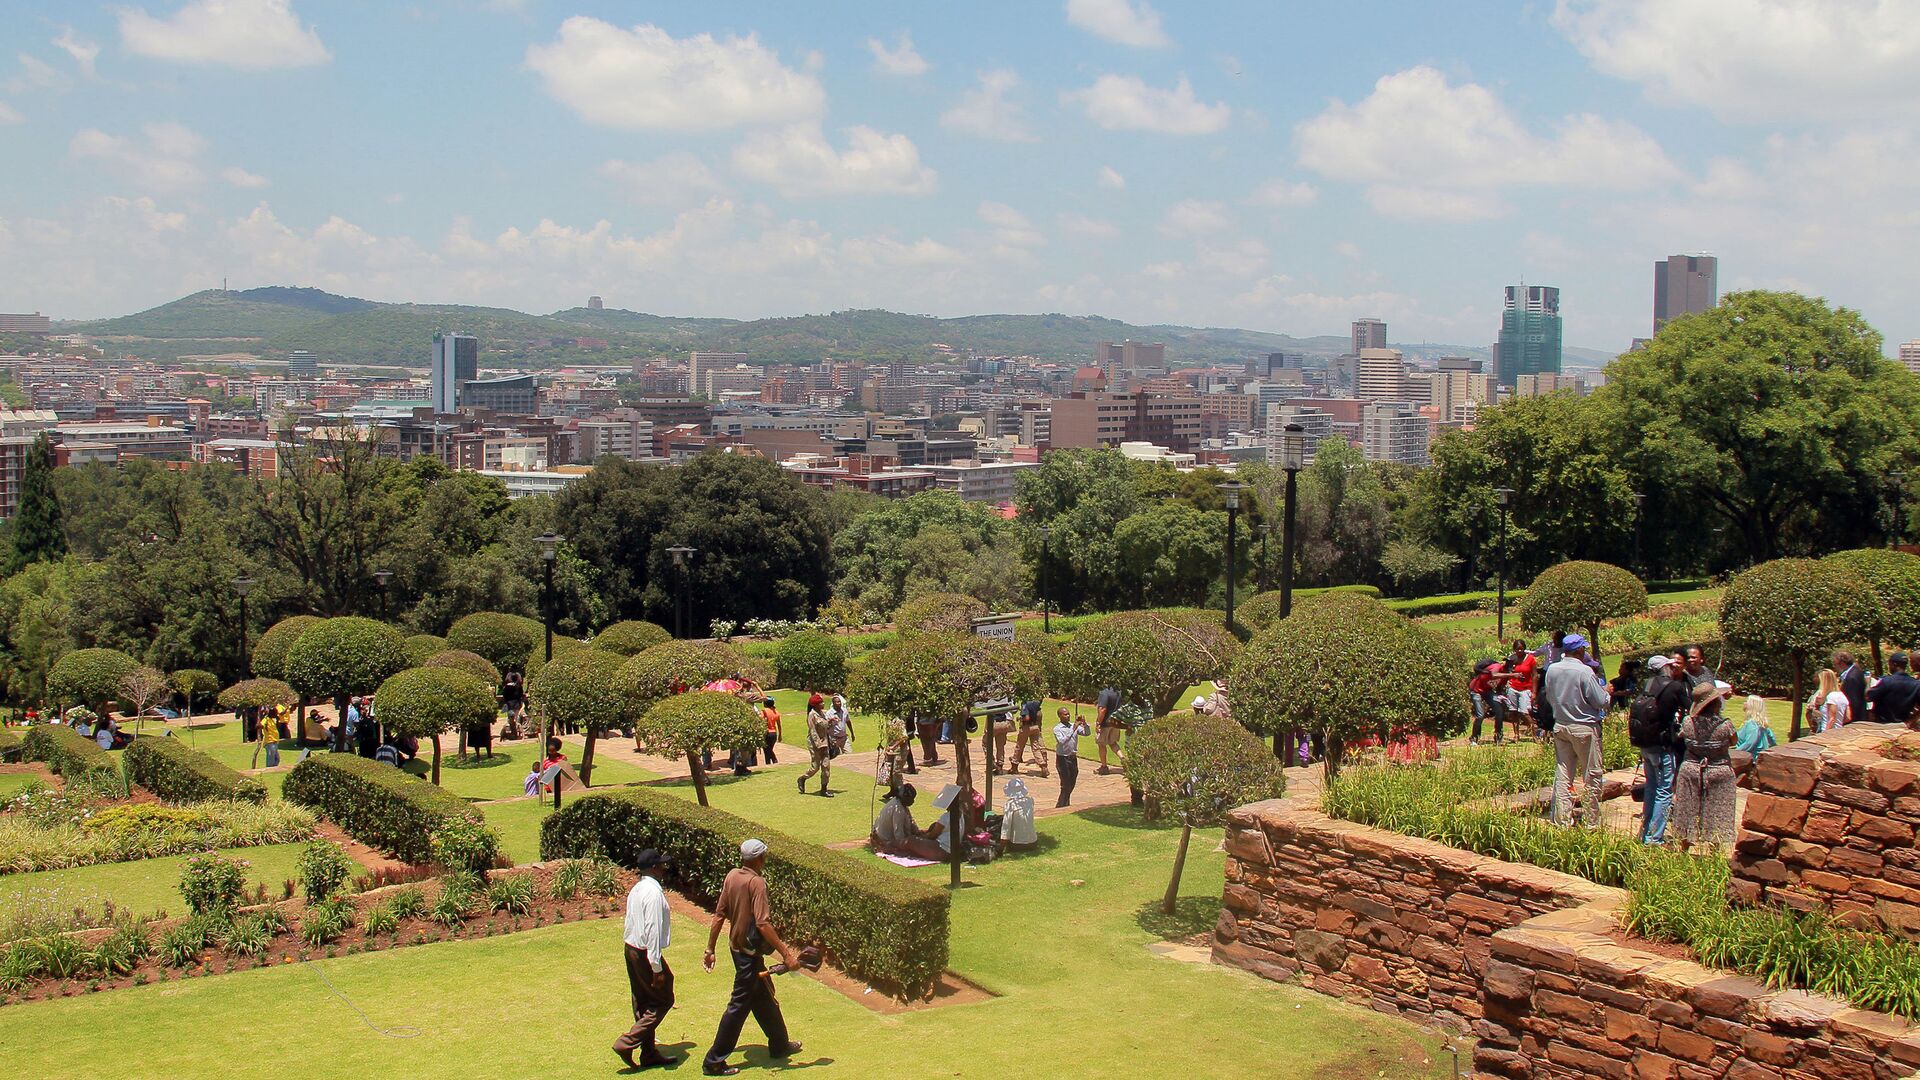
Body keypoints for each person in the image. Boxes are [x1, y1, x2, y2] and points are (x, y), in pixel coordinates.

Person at [702, 839, 802, 1077]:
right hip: (748, 954)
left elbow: (719, 915)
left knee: (763, 997)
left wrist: (710, 949)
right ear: (759, 859)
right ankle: (713, 1061)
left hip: (738, 950)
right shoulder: (757, 882)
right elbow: (762, 923)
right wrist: (787, 955)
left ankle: (779, 1044)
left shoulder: (732, 876)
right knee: (738, 1007)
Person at [613, 848, 677, 1071]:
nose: (663, 868)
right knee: (663, 999)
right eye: (660, 865)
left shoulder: (638, 889)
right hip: (644, 952)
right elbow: (653, 931)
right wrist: (656, 967)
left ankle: (649, 1053)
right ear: (653, 868)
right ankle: (628, 1042)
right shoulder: (653, 894)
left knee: (642, 1001)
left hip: (631, 948)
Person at [1543, 633, 1609, 827]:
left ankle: (1561, 819)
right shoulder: (1585, 672)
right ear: (1579, 650)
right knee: (1592, 774)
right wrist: (1608, 695)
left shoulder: (1553, 670)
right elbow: (1600, 701)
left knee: (1563, 773)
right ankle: (1591, 821)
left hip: (1561, 725)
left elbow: (1549, 697)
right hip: (1584, 726)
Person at [1629, 655, 1689, 845]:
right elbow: (1690, 707)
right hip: (1662, 744)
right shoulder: (1674, 687)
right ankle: (1654, 837)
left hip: (1645, 743)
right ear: (1665, 668)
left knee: (1651, 787)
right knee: (1664, 790)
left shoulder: (1648, 685)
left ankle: (1645, 832)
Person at [1671, 682, 1738, 852]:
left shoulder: (1688, 722)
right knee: (1718, 810)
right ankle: (1714, 849)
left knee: (1687, 809)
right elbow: (1734, 742)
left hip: (1691, 769)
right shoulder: (1725, 725)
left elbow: (1681, 736)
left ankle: (1684, 847)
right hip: (1718, 770)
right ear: (1715, 703)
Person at [870, 784, 945, 861]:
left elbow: (911, 821)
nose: (912, 802)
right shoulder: (898, 810)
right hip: (886, 841)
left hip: (889, 838)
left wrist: (918, 833)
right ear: (905, 798)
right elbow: (899, 834)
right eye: (911, 799)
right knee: (911, 849)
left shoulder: (899, 803)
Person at [1868, 652, 1920, 726]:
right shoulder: (1915, 684)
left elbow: (1868, 697)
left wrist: (1868, 682)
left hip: (1883, 725)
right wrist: (1912, 720)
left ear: (1894, 664)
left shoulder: (1887, 681)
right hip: (1903, 726)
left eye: (1889, 664)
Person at [796, 693, 832, 797]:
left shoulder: (821, 713)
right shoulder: (812, 715)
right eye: (821, 702)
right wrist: (818, 745)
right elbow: (813, 732)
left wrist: (830, 722)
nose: (823, 704)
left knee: (826, 766)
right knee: (815, 767)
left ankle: (824, 789)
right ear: (815, 705)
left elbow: (824, 726)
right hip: (815, 744)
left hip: (825, 742)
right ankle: (803, 778)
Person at [1053, 707, 1090, 808]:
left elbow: (1086, 733)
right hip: (1062, 758)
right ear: (1059, 716)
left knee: (1072, 780)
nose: (1068, 716)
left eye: (1068, 714)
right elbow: (1062, 741)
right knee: (1065, 783)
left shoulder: (1073, 725)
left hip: (1072, 757)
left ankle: (1064, 802)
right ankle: (1061, 805)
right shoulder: (1057, 728)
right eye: (1065, 714)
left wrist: (1084, 724)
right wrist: (1073, 728)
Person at [1010, 699, 1049, 777]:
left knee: (1019, 746)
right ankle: (1042, 764)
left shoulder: (1025, 704)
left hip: (1026, 727)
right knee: (1035, 747)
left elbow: (1026, 717)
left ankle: (1014, 766)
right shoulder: (1036, 702)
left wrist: (1020, 718)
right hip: (1035, 726)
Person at [999, 776, 1038, 851]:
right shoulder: (1030, 801)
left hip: (1017, 844)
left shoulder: (1010, 804)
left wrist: (1000, 848)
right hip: (1033, 842)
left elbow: (1006, 827)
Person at [1834, 651, 1868, 732]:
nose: (1834, 667)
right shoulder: (1854, 672)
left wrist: (1849, 720)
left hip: (1854, 720)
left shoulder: (1852, 677)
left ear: (1841, 663)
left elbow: (1853, 701)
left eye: (1835, 664)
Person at [1094, 686, 1124, 775]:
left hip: (1106, 723)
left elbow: (1102, 709)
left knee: (1101, 744)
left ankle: (1104, 767)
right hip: (1116, 722)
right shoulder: (1118, 691)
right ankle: (1123, 759)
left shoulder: (1104, 693)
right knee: (1113, 742)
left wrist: (1098, 722)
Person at [1808, 668, 1849, 732]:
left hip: (1827, 732)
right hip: (1838, 731)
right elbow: (1847, 718)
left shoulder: (1830, 696)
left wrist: (1824, 735)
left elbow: (1831, 719)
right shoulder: (1842, 696)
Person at [500, 671, 526, 738]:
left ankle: (512, 732)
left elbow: (504, 695)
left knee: (510, 718)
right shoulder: (518, 686)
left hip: (509, 704)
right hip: (516, 703)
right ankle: (516, 733)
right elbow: (521, 695)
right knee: (516, 718)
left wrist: (506, 701)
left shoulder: (507, 687)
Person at [758, 698, 781, 765]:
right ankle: (773, 762)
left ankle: (770, 762)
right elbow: (779, 725)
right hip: (774, 734)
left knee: (767, 750)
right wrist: (780, 735)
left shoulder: (764, 711)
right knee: (769, 749)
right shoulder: (776, 712)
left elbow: (761, 721)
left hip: (767, 733)